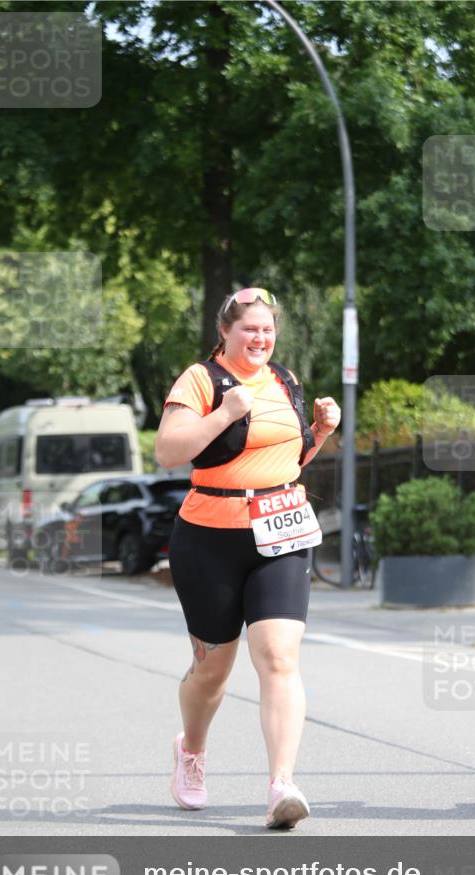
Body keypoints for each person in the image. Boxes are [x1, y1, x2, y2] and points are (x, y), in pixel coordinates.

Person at [155, 288, 341, 828]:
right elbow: (168, 451)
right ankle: (191, 750)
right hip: (209, 536)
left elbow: (288, 459)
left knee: (279, 656)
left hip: (281, 531)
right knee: (211, 671)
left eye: (267, 330)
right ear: (225, 331)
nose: (260, 339)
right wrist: (224, 413)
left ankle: (282, 784)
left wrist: (320, 432)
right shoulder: (201, 380)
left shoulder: (285, 380)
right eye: (249, 329)